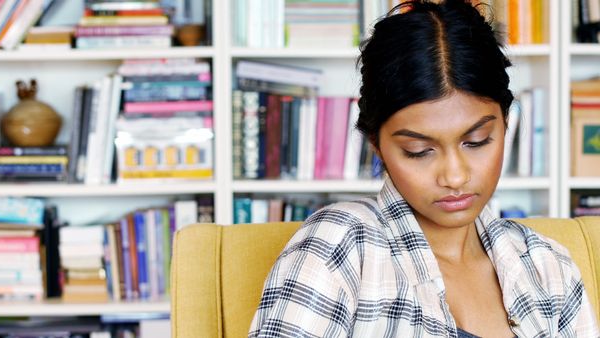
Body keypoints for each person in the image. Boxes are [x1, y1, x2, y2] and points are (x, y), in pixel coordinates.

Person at [247, 1, 600, 337]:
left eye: (476, 141)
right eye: (418, 151)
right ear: (377, 145)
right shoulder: (339, 246)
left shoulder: (548, 267)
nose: (455, 176)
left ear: (506, 125)